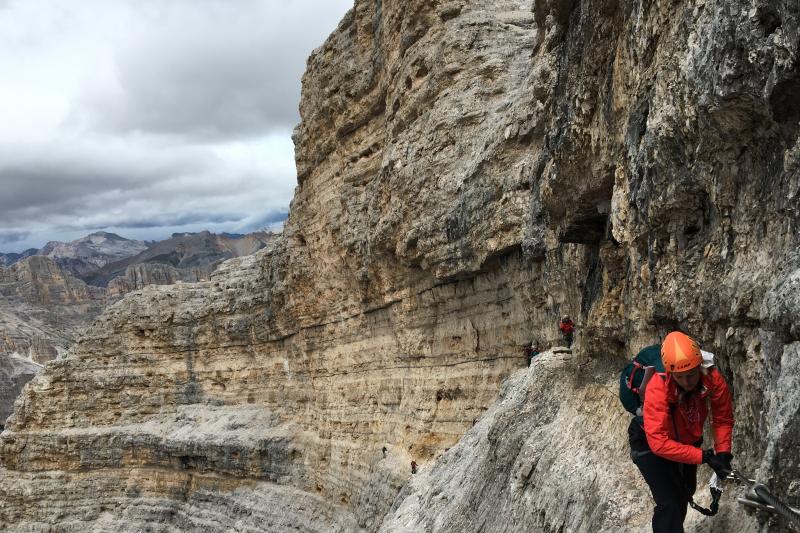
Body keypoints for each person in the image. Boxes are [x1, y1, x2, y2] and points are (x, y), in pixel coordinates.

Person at [629, 331, 734, 533]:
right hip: (648, 442)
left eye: (692, 374)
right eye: (681, 377)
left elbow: (722, 418)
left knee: (685, 492)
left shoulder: (712, 378)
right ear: (670, 373)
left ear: (699, 366)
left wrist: (723, 453)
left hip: (687, 439)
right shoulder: (658, 387)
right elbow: (659, 442)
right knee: (669, 501)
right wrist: (703, 457)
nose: (687, 381)